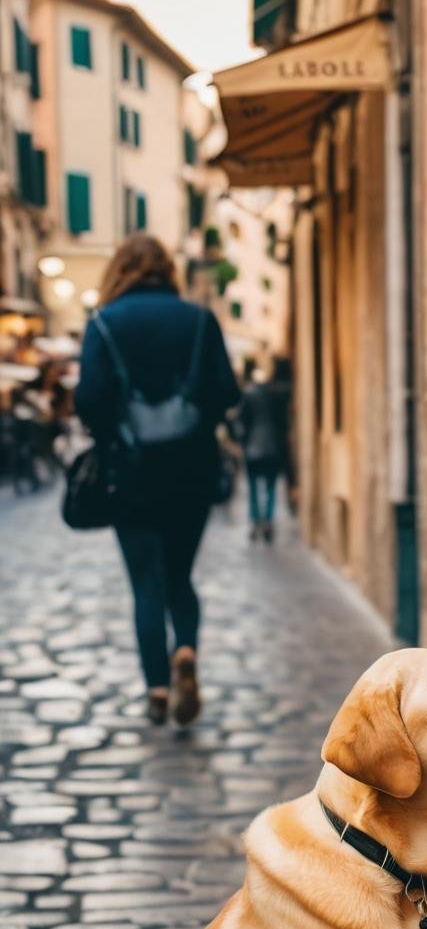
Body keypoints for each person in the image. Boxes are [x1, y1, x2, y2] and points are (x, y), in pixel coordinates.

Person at [74, 235, 239, 726]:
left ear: (119, 270)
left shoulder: (103, 324)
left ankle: (157, 690)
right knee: (180, 577)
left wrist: (113, 434)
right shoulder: (198, 320)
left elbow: (89, 398)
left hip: (130, 475)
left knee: (145, 582)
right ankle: (185, 649)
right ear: (167, 269)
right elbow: (227, 392)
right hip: (192, 471)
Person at [234, 359, 291, 541]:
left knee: (253, 487)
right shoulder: (274, 396)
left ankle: (255, 519)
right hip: (272, 447)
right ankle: (267, 519)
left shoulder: (248, 395)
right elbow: (283, 423)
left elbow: (242, 422)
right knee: (270, 486)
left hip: (253, 449)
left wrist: (242, 442)